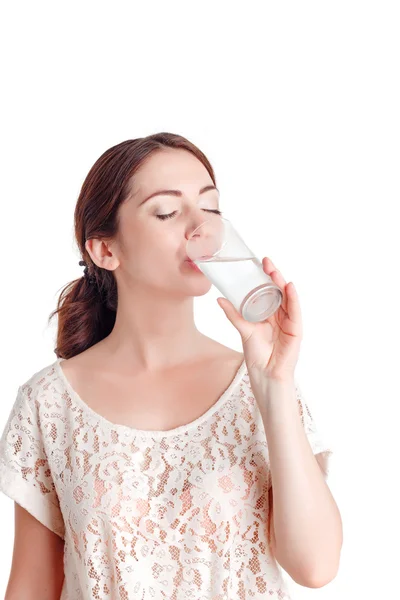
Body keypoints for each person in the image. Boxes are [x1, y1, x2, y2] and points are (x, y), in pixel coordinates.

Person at [0, 132, 340, 599]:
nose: (201, 228)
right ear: (104, 250)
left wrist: (273, 385)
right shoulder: (49, 404)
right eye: (167, 212)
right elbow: (32, 588)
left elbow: (316, 566)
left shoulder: (258, 384)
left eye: (211, 208)